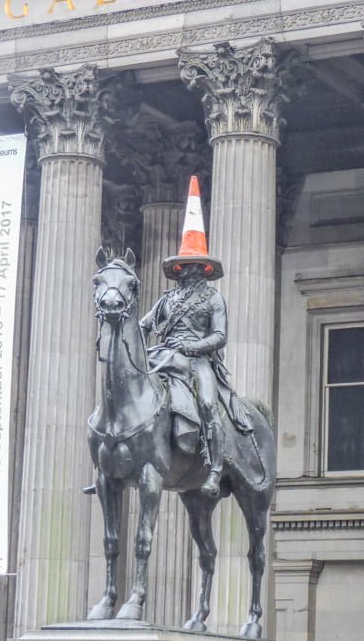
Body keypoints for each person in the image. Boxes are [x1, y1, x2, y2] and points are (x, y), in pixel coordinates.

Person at [139, 176, 232, 498]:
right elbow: (145, 325)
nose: (187, 271)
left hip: (197, 361)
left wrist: (191, 346)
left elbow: (219, 336)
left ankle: (216, 468)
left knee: (207, 403)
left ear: (204, 269)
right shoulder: (167, 299)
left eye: (193, 266)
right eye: (183, 267)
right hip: (164, 357)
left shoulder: (213, 299)